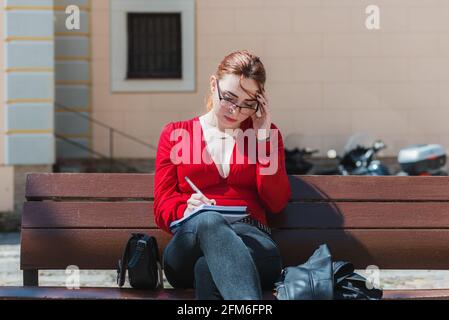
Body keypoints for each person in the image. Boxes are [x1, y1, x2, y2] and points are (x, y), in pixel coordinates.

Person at [153, 50, 291, 299]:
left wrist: (262, 141)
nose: (235, 111)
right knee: (209, 220)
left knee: (208, 269)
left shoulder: (266, 136)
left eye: (248, 104)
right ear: (213, 84)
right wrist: (186, 208)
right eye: (229, 98)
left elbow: (276, 201)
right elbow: (162, 205)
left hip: (253, 244)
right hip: (190, 244)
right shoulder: (176, 134)